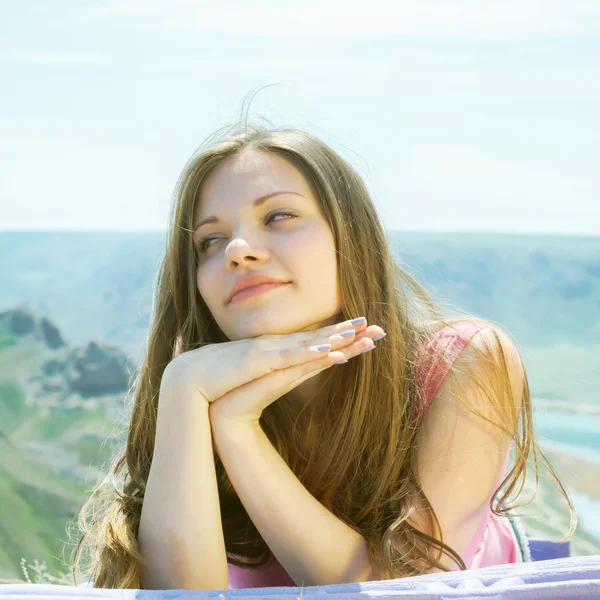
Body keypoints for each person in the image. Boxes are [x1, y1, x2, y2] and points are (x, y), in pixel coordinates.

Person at [70, 113, 576, 591]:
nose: (237, 250)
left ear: (350, 239)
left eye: (280, 215)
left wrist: (236, 428)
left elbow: (397, 591)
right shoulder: (196, 380)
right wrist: (183, 388)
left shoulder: (463, 361)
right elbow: (180, 598)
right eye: (209, 241)